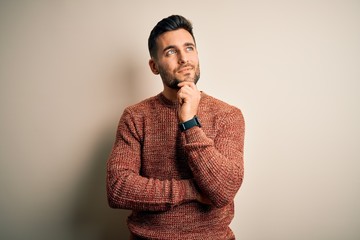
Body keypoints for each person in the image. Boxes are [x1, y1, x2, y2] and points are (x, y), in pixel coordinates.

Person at [106, 15, 245, 240]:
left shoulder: (228, 115)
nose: (183, 58)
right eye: (170, 52)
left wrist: (189, 122)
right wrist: (190, 190)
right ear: (154, 66)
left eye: (189, 48)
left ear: (197, 55)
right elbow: (118, 188)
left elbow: (224, 191)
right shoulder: (135, 116)